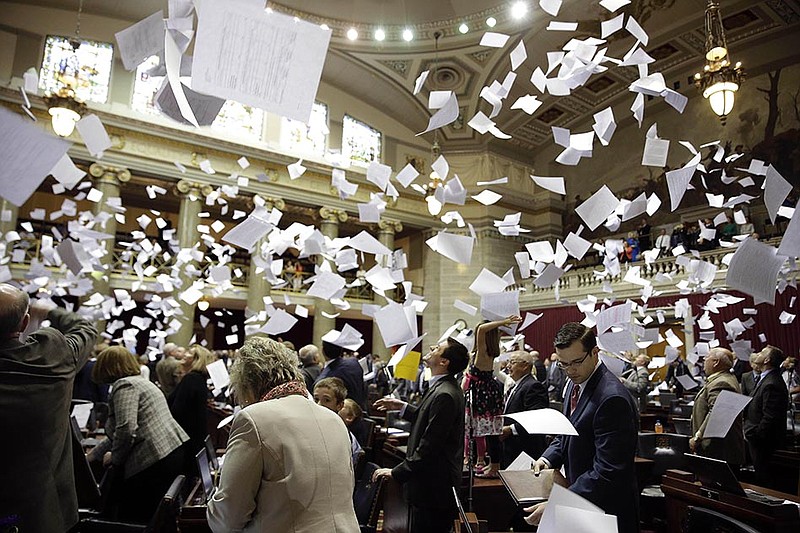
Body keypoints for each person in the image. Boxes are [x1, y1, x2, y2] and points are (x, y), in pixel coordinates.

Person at [207, 337, 358, 532]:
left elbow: (227, 518)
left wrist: (211, 505)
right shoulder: (334, 419)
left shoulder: (254, 418)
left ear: (247, 382)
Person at [0, 286, 97, 533]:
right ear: (24, 323)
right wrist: (53, 311)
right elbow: (86, 329)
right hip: (43, 513)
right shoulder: (53, 356)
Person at [525, 323, 639, 533]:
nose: (570, 370)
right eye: (563, 364)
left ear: (595, 352)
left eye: (576, 362)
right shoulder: (575, 384)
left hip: (604, 509)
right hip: (582, 502)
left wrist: (559, 502)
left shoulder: (612, 398)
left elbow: (608, 470)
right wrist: (547, 458)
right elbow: (568, 432)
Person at [372, 338, 469, 533]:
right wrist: (403, 408)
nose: (431, 349)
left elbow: (430, 444)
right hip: (431, 485)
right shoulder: (442, 387)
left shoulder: (445, 394)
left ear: (444, 361)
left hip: (434, 488)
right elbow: (429, 419)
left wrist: (397, 472)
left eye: (437, 348)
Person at [88, 346, 188, 522]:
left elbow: (126, 430)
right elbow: (117, 435)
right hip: (169, 453)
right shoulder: (140, 382)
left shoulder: (125, 385)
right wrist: (92, 456)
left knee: (131, 513)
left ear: (107, 366)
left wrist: (115, 458)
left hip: (153, 459)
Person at [464, 316, 521, 478]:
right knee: (488, 432)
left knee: (490, 433)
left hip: (484, 394)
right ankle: (492, 464)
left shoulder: (483, 351)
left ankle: (495, 466)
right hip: (485, 392)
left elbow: (481, 329)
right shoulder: (482, 352)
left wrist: (503, 322)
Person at [689, 348, 745, 468]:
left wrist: (698, 437)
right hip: (718, 449)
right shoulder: (722, 379)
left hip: (717, 450)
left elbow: (716, 413)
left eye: (707, 357)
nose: (704, 360)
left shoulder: (722, 382)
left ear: (716, 362)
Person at [744, 345, 789, 485]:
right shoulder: (765, 378)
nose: (757, 353)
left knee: (764, 479)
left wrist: (755, 435)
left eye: (762, 352)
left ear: (767, 360)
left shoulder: (772, 383)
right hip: (758, 440)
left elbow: (769, 417)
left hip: (764, 443)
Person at [499, 351, 549, 468]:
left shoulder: (533, 386)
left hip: (525, 451)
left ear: (525, 365)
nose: (508, 366)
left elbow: (536, 417)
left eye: (512, 362)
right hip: (512, 450)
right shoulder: (517, 385)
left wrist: (511, 429)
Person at [168, 344, 214, 464]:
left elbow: (177, 411)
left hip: (186, 441)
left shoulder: (191, 379)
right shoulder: (198, 378)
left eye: (189, 353)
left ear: (197, 359)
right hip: (193, 440)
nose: (184, 354)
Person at [313, 377, 362, 465]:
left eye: (326, 400)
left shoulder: (341, 434)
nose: (318, 404)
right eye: (316, 399)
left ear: (339, 405)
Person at [317, 338, 367, 408]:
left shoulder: (324, 378)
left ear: (322, 351)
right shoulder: (354, 363)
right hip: (360, 411)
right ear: (341, 350)